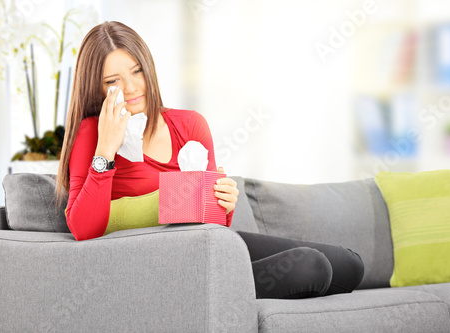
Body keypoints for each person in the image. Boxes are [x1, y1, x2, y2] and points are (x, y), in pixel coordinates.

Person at [56, 21, 364, 300]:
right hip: (166, 267)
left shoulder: (190, 125)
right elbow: (84, 229)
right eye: (114, 80)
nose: (133, 87)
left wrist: (225, 205)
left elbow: (212, 220)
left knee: (351, 265)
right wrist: (106, 150)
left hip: (213, 248)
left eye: (137, 71)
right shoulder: (91, 134)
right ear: (97, 88)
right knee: (312, 268)